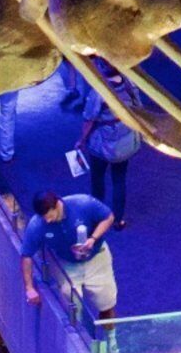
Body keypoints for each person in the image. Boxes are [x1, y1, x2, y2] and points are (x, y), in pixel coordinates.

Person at [20, 189, 120, 320]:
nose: (48, 221)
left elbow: (108, 217)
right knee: (72, 307)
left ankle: (111, 338)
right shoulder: (37, 225)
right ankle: (82, 336)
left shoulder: (83, 203)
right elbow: (26, 255)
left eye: (50, 216)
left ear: (57, 205)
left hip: (97, 259)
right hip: (67, 264)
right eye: (44, 218)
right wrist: (29, 288)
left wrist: (93, 238)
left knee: (107, 304)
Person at [68, 89, 143, 220]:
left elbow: (89, 119)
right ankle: (118, 219)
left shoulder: (99, 91)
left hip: (101, 142)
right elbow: (139, 108)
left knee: (98, 180)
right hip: (123, 139)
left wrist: (82, 140)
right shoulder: (129, 84)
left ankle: (99, 216)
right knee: (119, 180)